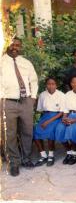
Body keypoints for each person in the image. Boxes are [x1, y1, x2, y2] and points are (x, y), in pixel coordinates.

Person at [1, 37, 38, 176]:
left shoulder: (26, 62)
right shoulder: (2, 62)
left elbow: (33, 80)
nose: (15, 47)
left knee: (27, 131)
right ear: (8, 46)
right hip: (8, 102)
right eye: (12, 45)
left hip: (25, 101)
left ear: (20, 47)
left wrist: (33, 97)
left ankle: (26, 158)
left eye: (17, 45)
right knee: (9, 134)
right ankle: (14, 163)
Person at [55, 75, 76, 165]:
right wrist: (64, 117)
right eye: (73, 82)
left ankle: (75, 154)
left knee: (71, 129)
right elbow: (65, 109)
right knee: (59, 128)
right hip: (69, 115)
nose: (75, 84)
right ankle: (69, 152)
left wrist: (74, 121)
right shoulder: (67, 94)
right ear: (71, 83)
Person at [34, 77, 64, 167]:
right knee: (35, 132)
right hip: (46, 116)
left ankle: (51, 155)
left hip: (56, 116)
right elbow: (40, 109)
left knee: (50, 132)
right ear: (46, 85)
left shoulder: (61, 95)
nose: (51, 86)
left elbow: (62, 112)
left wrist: (48, 122)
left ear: (56, 85)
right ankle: (43, 155)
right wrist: (41, 120)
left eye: (53, 84)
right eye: (49, 84)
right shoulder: (43, 95)